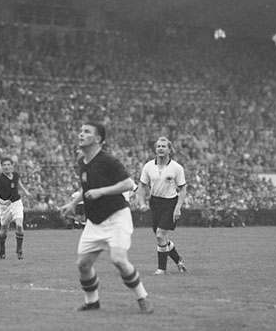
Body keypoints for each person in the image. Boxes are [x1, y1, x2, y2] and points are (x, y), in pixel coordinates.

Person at [59, 123, 152, 314]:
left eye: (86, 132)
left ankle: (143, 298)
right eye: (81, 131)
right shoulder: (82, 161)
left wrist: (102, 191)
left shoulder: (108, 160)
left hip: (117, 217)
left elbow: (128, 184)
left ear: (98, 139)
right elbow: (86, 187)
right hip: (95, 222)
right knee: (83, 264)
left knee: (118, 260)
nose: (81, 134)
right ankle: (92, 302)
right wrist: (73, 203)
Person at [137, 136, 188, 275]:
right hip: (155, 202)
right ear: (155, 149)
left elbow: (183, 189)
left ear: (169, 150)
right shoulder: (148, 166)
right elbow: (141, 186)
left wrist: (178, 207)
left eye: (163, 146)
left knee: (160, 235)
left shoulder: (176, 168)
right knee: (161, 237)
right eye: (158, 146)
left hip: (170, 203)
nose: (160, 148)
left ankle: (161, 269)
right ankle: (179, 260)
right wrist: (141, 202)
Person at [0, 156, 32, 259]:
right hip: (5, 207)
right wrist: (2, 202)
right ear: (1, 167)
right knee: (4, 230)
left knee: (19, 225)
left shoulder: (15, 175)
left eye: (8, 164)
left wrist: (25, 191)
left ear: (12, 166)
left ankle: (19, 250)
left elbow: (18, 183)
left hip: (16, 203)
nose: (6, 167)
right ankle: (2, 249)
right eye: (4, 165)